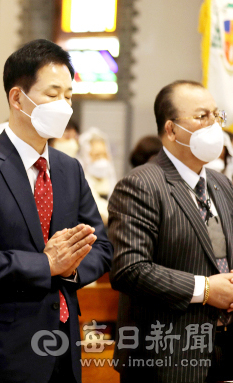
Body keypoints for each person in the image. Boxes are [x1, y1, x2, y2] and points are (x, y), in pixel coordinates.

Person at [0, 39, 113, 383]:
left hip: (63, 342)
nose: (64, 106)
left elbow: (102, 247)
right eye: (52, 94)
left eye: (68, 95)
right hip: (2, 348)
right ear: (17, 98)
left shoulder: (69, 168)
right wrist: (46, 265)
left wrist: (68, 271)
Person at [109, 80, 233, 383]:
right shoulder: (142, 184)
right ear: (171, 129)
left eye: (216, 116)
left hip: (223, 352)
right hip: (168, 355)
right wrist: (205, 289)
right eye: (201, 117)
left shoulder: (221, 184)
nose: (213, 126)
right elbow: (129, 269)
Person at [78, 127, 117, 225]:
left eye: (104, 154)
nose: (102, 160)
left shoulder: (111, 180)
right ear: (86, 156)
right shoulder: (80, 182)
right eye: (97, 155)